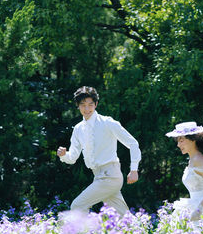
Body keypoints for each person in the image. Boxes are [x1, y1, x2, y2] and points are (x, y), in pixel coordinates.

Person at [57, 86, 141, 215]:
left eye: (90, 104)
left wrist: (134, 170)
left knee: (77, 206)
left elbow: (133, 143)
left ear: (96, 104)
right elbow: (72, 157)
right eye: (83, 105)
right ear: (78, 106)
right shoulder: (78, 129)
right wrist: (63, 155)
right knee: (123, 218)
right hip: (98, 176)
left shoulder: (107, 122)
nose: (87, 109)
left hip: (110, 175)